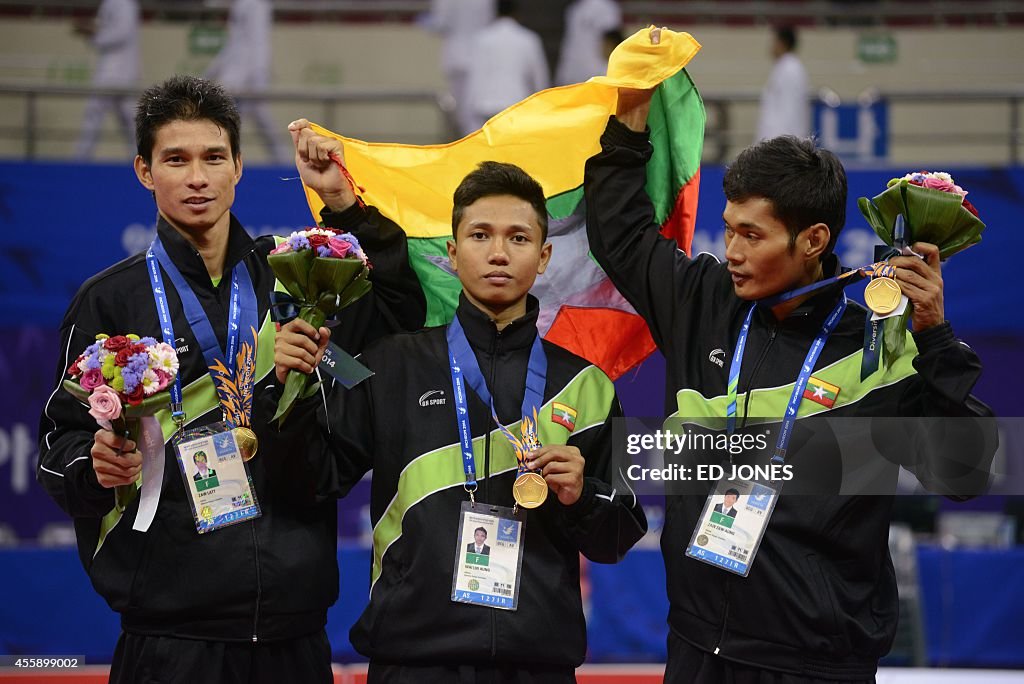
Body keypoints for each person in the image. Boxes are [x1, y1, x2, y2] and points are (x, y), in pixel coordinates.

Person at [584, 27, 994, 683]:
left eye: (753, 234)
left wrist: (935, 338)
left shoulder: (877, 347)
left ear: (814, 239)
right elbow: (620, 232)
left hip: (814, 667)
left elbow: (966, 473)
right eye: (730, 228)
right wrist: (629, 121)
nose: (735, 251)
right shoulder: (703, 302)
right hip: (695, 651)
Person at [36, 75, 425, 684]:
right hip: (169, 638)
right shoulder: (110, 301)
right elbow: (58, 449)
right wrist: (94, 467)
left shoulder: (297, 277)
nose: (197, 178)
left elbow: (399, 315)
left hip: (293, 632)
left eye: (214, 157)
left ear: (238, 166)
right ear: (144, 170)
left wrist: (343, 205)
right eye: (176, 159)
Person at [272, 160, 647, 683]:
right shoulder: (386, 363)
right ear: (452, 253)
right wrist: (296, 388)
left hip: (536, 664)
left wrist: (581, 495)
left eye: (518, 237)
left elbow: (618, 538)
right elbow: (312, 479)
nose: (498, 252)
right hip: (412, 662)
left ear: (543, 257)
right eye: (479, 235)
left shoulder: (585, 384)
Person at [206, 0, 289, 163]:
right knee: (246, 120)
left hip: (248, 78)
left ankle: (284, 162)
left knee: (237, 120)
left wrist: (259, 76)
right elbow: (233, 44)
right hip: (238, 76)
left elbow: (258, 42)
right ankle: (282, 160)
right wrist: (210, 73)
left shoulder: (256, 5)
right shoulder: (240, 5)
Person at [464, 0, 550, 133]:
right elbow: (540, 78)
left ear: (495, 13)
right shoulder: (528, 39)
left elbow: (475, 78)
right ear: (517, 14)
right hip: (517, 103)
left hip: (486, 106)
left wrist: (469, 116)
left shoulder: (481, 39)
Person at [73, 0, 140, 159]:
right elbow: (107, 27)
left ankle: (80, 158)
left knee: (119, 118)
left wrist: (94, 34)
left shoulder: (125, 4)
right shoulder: (109, 3)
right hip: (112, 71)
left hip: (118, 72)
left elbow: (121, 33)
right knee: (124, 119)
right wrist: (92, 30)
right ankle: (81, 158)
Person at [423, 0, 496, 137]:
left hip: (456, 56)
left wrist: (426, 22)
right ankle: (475, 140)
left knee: (463, 110)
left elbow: (440, 23)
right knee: (475, 105)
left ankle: (470, 142)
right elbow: (489, 23)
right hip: (479, 55)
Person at [756, 26, 810, 142]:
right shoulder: (783, 67)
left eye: (774, 42)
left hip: (782, 140)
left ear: (782, 43)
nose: (771, 47)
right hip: (778, 139)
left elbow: (789, 110)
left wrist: (779, 143)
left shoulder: (791, 69)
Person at [555, 0, 622, 86]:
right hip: (581, 72)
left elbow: (610, 40)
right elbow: (610, 40)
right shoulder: (575, 8)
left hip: (586, 72)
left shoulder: (604, 7)